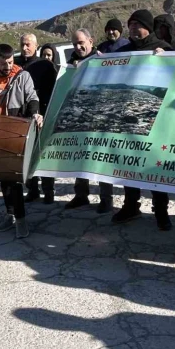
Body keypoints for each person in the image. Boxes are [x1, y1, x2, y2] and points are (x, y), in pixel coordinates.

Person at [112, 10, 173, 230]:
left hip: (155, 120)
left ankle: (161, 210)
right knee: (128, 164)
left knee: (154, 166)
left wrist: (166, 58)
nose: (133, 28)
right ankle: (130, 206)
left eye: (138, 24)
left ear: (148, 26)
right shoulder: (125, 51)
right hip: (128, 119)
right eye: (131, 24)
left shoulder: (162, 48)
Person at [0, 43, 42, 238]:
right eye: (3, 62)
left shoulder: (22, 76)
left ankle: (20, 220)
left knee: (13, 178)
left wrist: (35, 114)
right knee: (3, 178)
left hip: (15, 130)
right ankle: (10, 215)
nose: (7, 65)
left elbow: (32, 97)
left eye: (10, 61)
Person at [64, 29, 114, 213]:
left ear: (91, 41)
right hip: (80, 117)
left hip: (101, 118)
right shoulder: (72, 63)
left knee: (101, 159)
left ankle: (106, 199)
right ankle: (81, 195)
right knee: (79, 157)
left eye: (81, 42)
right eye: (74, 44)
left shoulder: (103, 59)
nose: (78, 47)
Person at [15, 34, 58, 204]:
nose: (24, 48)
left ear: (35, 46)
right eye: (22, 45)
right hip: (21, 117)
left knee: (43, 154)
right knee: (26, 156)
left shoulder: (45, 64)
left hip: (42, 115)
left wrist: (47, 112)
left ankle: (48, 191)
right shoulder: (16, 64)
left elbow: (55, 88)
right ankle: (32, 189)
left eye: (28, 45)